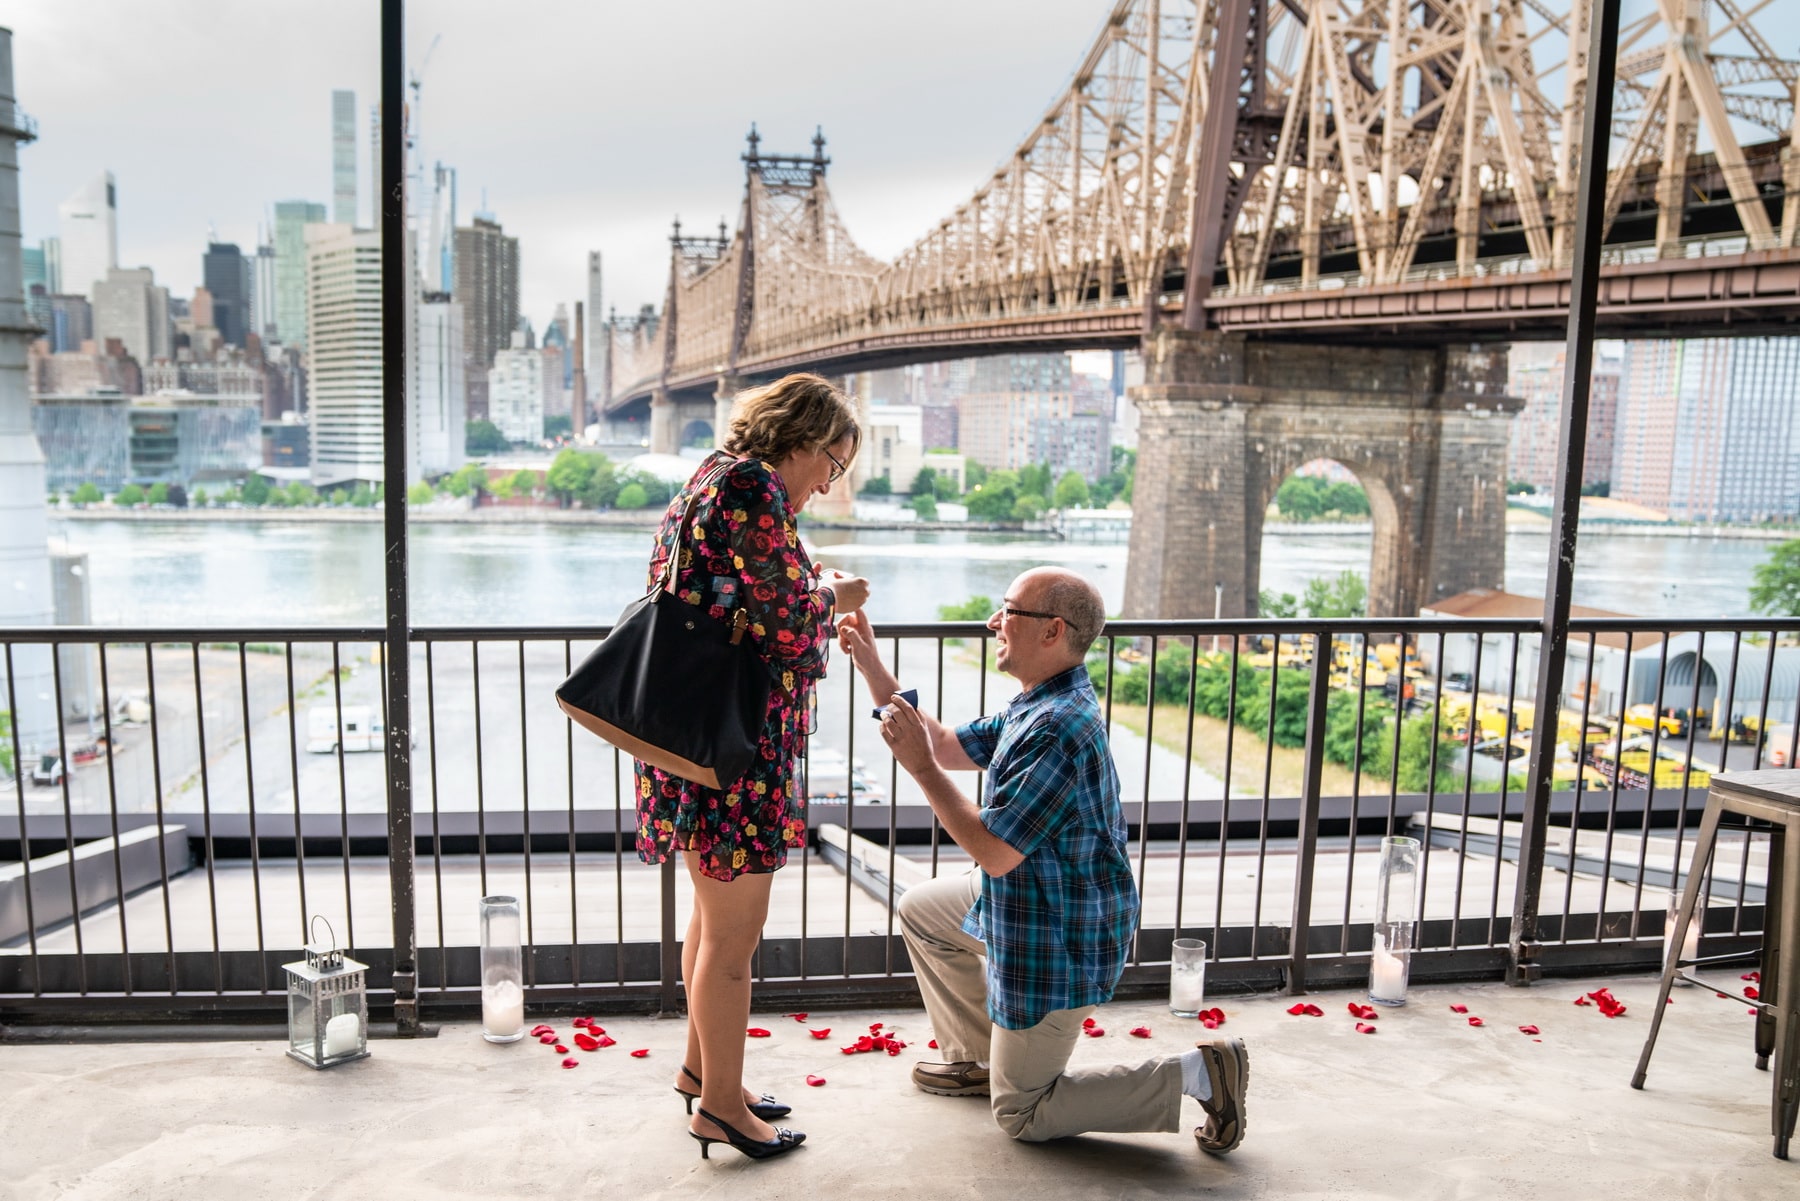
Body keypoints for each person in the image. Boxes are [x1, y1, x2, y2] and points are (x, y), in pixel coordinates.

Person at [837, 566, 1249, 1155]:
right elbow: (948, 744)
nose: (993, 622)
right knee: (924, 911)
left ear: (1052, 630)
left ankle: (1200, 1073)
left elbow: (994, 852)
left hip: (1058, 939)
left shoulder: (1058, 727)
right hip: (1028, 903)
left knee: (1021, 1114)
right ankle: (982, 1059)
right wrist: (872, 665)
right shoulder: (1039, 702)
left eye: (1008, 611)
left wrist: (920, 771)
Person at [634, 372, 869, 1162]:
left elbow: (739, 597)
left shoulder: (710, 475)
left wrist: (810, 588)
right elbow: (790, 629)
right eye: (831, 464)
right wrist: (835, 596)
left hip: (698, 741)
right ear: (800, 439)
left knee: (710, 920)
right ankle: (722, 1109)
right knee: (736, 937)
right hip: (736, 753)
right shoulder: (752, 486)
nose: (828, 484)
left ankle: (704, 1072)